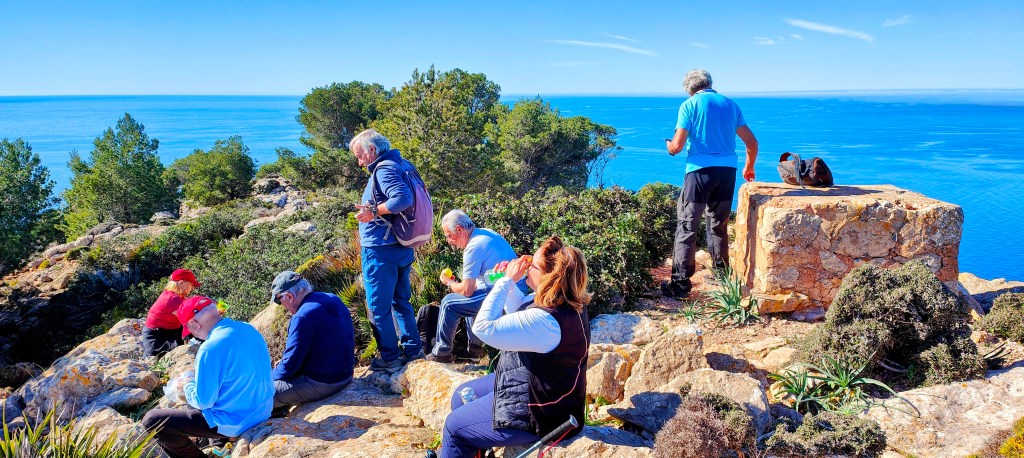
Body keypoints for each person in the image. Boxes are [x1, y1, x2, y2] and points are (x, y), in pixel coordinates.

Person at [440, 235, 591, 457]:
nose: (526, 265)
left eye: (533, 265)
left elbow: (483, 328)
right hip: (536, 385)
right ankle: (475, 448)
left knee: (454, 427)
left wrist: (506, 282)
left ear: (549, 277)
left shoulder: (547, 321)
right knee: (461, 396)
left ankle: (464, 441)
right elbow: (518, 310)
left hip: (541, 413)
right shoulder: (560, 301)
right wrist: (506, 283)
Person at [663, 69, 758, 299]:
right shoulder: (731, 105)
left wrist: (669, 146)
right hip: (727, 173)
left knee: (687, 225)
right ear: (710, 83)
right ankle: (722, 275)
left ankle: (681, 285)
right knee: (719, 223)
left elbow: (677, 146)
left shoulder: (689, 105)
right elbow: (752, 142)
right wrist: (749, 167)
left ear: (690, 88)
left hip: (699, 173)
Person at [141, 295, 274, 458]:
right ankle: (218, 445)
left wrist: (187, 384)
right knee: (200, 390)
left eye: (190, 330)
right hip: (262, 410)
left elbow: (203, 401)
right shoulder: (247, 328)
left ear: (194, 324)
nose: (193, 335)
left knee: (152, 420)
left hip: (237, 421)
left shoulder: (210, 348)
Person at [351, 129, 425, 373]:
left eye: (360, 155)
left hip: (380, 250)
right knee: (401, 301)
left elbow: (402, 199)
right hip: (402, 246)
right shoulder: (402, 164)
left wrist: (373, 211)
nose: (360, 162)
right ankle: (414, 351)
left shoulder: (384, 169)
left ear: (373, 150)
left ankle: (390, 359)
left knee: (378, 307)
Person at [425, 210, 521, 363]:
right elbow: (476, 284)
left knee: (449, 303)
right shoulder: (485, 233)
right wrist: (461, 285)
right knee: (470, 298)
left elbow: (466, 290)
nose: (449, 241)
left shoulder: (473, 247)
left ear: (459, 230)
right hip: (513, 288)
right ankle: (474, 351)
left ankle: (442, 353)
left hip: (506, 292)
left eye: (449, 236)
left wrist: (449, 282)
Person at [269, 271, 355, 414]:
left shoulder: (302, 317)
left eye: (279, 300)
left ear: (289, 296)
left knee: (258, 396)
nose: (280, 305)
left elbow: (289, 366)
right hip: (345, 374)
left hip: (324, 382)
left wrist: (269, 378)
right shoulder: (332, 298)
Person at [142, 269, 201, 357]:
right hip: (158, 339)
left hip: (167, 331)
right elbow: (189, 319)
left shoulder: (173, 294)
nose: (192, 288)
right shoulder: (173, 299)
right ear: (181, 283)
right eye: (191, 285)